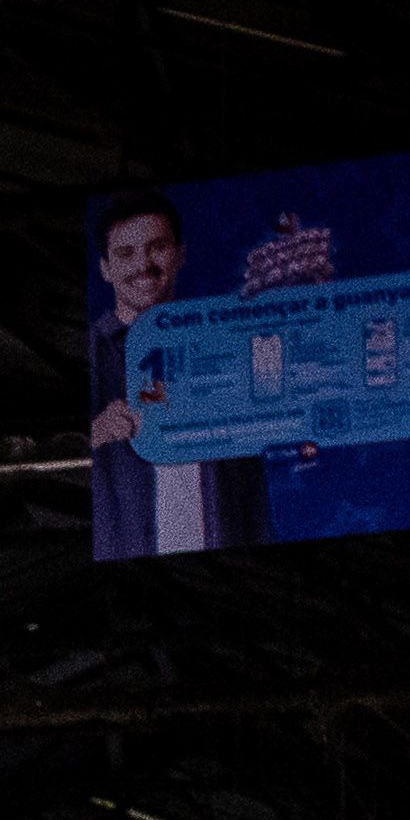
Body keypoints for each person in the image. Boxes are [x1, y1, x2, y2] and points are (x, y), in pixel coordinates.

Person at [86, 194, 271, 562]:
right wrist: (95, 433)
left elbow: (252, 468)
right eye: (126, 254)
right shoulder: (90, 354)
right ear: (105, 268)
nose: (143, 265)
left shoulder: (221, 344)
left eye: (157, 247)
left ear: (180, 254)